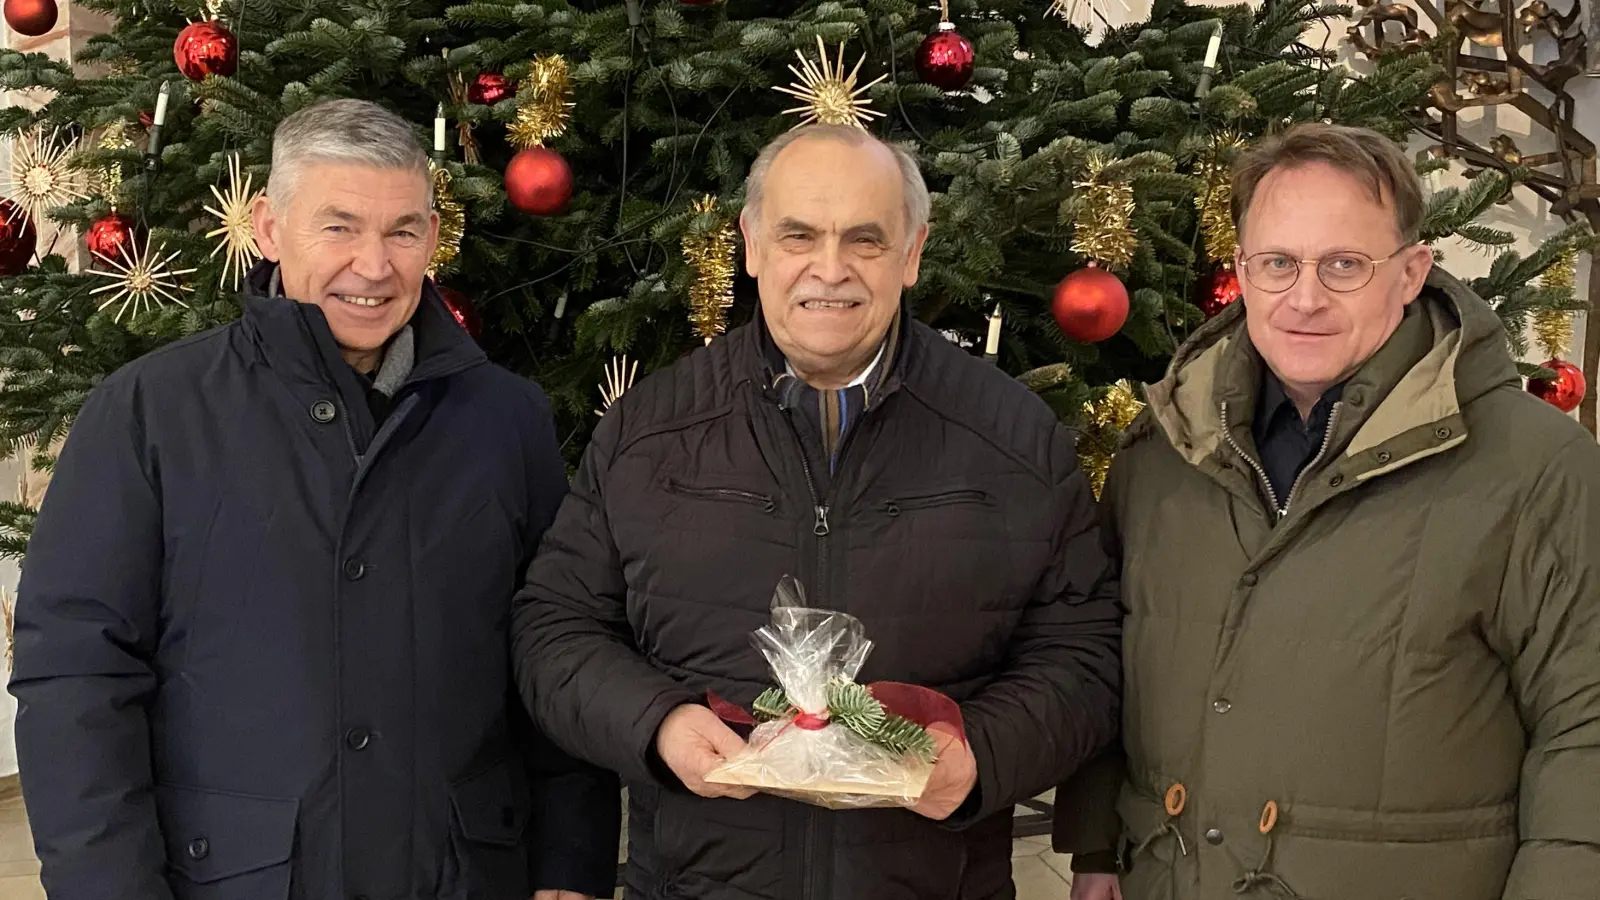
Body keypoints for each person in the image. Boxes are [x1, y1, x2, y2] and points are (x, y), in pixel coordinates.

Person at [10, 99, 619, 900]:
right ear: (268, 227)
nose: (374, 266)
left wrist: (570, 866)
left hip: (463, 875)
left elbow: (556, 649)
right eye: (339, 227)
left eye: (403, 231)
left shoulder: (507, 419)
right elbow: (77, 677)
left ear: (434, 239)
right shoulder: (150, 412)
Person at [509, 123, 1122, 899]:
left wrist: (984, 755)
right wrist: (656, 724)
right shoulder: (651, 431)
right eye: (798, 235)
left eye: (865, 240)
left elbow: (1086, 654)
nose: (828, 270)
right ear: (752, 244)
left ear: (912, 254)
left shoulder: (1012, 438)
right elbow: (553, 629)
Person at [1056, 122, 1600, 900]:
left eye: (1345, 265)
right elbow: (1106, 668)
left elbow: (1586, 725)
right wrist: (1095, 851)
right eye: (1278, 263)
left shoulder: (1537, 467)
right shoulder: (1163, 455)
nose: (1304, 298)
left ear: (1413, 272)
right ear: (1242, 269)